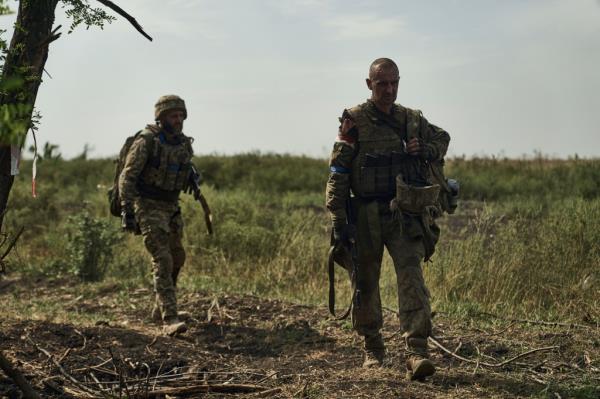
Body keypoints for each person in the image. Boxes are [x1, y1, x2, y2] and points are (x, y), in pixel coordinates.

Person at [325, 58, 450, 380]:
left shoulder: (411, 119)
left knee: (412, 279)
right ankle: (373, 349)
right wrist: (338, 218)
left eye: (394, 82)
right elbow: (338, 172)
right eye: (382, 83)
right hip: (365, 213)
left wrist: (423, 149)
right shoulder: (354, 120)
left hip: (402, 212)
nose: (389, 89)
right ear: (369, 84)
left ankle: (417, 351)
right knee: (364, 281)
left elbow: (443, 140)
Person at [119, 95, 194, 336]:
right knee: (163, 259)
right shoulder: (146, 140)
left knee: (177, 257)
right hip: (147, 205)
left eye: (181, 115)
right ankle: (169, 318)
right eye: (174, 115)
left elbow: (184, 166)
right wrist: (127, 209)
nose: (179, 119)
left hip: (171, 206)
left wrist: (191, 176)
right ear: (161, 117)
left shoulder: (182, 143)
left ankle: (160, 308)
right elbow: (128, 176)